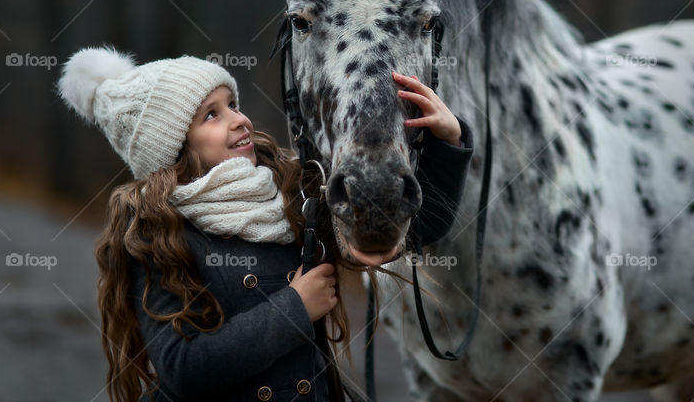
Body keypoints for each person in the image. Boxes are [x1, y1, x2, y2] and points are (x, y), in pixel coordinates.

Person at [56, 46, 474, 402]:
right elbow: (182, 367)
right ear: (172, 147)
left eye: (233, 105)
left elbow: (408, 231)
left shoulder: (292, 194)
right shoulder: (156, 233)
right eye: (211, 115)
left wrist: (447, 144)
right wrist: (296, 307)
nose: (239, 120)